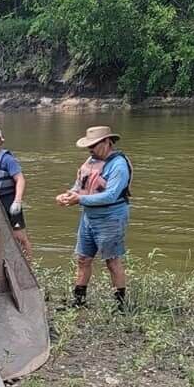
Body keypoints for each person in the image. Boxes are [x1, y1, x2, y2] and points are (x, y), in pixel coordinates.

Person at [56, 126, 132, 312]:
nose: (90, 149)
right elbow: (79, 185)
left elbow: (111, 195)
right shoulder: (91, 161)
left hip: (111, 217)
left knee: (112, 261)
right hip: (89, 217)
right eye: (89, 146)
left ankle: (120, 305)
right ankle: (79, 300)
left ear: (107, 142)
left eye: (94, 145)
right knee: (83, 258)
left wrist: (79, 199)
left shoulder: (118, 165)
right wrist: (68, 195)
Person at [0, 126, 32, 260]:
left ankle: (30, 265)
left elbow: (20, 179)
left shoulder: (7, 159)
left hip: (9, 200)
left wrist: (17, 201)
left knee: (19, 236)